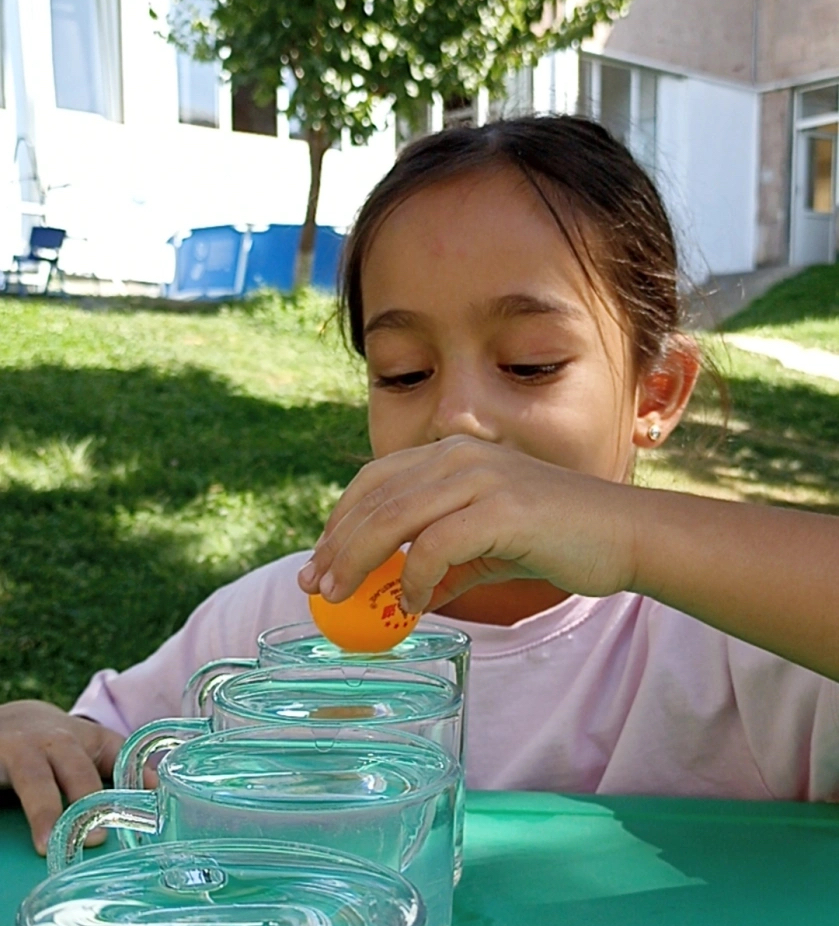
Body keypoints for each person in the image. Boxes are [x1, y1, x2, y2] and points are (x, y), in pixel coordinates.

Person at [4, 114, 839, 854]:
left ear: (654, 394)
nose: (458, 420)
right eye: (403, 374)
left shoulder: (743, 646)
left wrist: (629, 534)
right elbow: (95, 743)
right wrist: (35, 728)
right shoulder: (275, 627)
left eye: (529, 364)